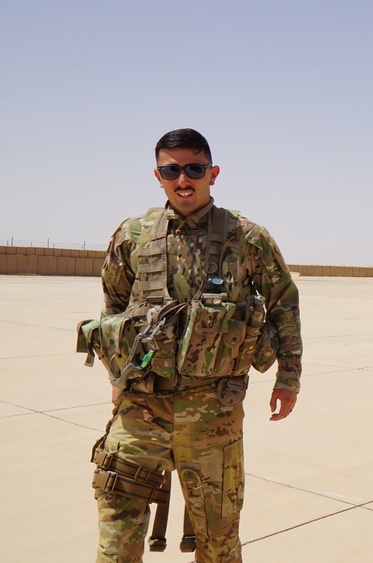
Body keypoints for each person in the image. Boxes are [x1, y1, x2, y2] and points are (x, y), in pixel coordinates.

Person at [79, 128, 302, 562]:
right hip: (140, 411)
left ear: (213, 173)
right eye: (172, 170)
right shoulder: (132, 235)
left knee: (218, 545)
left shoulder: (248, 238)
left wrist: (288, 377)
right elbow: (113, 310)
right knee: (115, 540)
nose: (184, 179)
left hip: (213, 414)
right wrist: (116, 374)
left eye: (194, 169)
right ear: (158, 175)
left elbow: (283, 305)